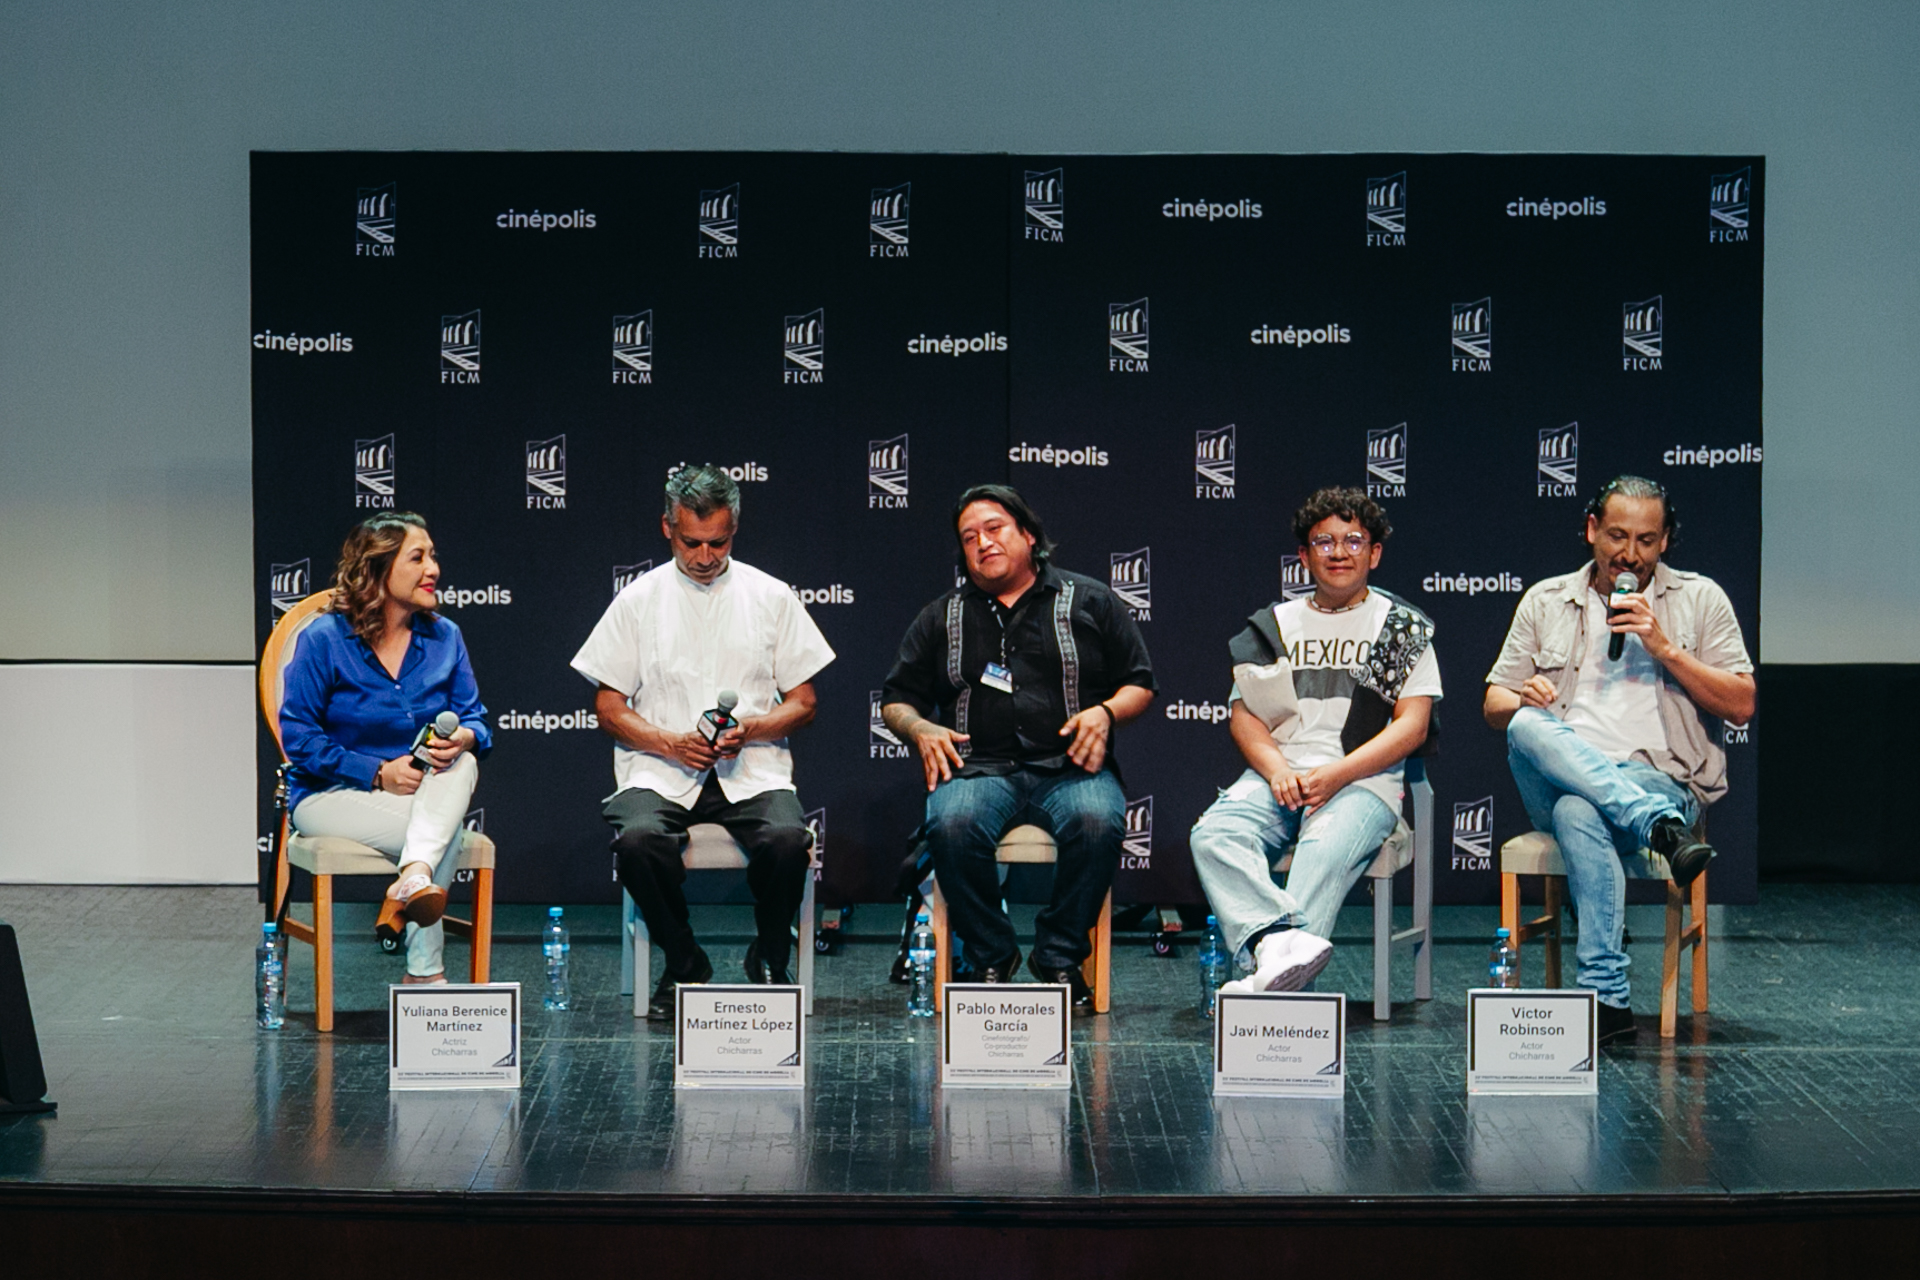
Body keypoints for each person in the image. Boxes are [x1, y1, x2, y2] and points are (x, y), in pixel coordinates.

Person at [1485, 476, 1754, 1044]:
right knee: (1526, 723)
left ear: (1665, 543)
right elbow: (1493, 703)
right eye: (1616, 536)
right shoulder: (1546, 598)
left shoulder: (1699, 600)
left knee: (1581, 813)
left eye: (1646, 540)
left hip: (1659, 776)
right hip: (1560, 773)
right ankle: (1658, 829)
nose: (1629, 554)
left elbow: (1741, 704)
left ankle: (1605, 1000)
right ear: (1590, 531)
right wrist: (1523, 695)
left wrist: (1665, 649)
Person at [572, 465, 835, 1020]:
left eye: (719, 541)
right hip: (658, 771)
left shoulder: (771, 595)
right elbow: (608, 707)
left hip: (754, 769)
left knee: (790, 841)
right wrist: (668, 743)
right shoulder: (637, 601)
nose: (706, 555)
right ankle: (684, 961)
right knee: (639, 843)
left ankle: (769, 951)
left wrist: (755, 728)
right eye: (692, 542)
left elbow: (805, 701)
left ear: (734, 528)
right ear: (666, 528)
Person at [880, 485, 1156, 1013]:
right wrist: (919, 730)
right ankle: (990, 954)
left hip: (1071, 768)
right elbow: (897, 699)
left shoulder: (1090, 599)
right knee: (952, 825)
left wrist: (1105, 712)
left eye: (994, 529)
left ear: (1028, 535)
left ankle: (1059, 957)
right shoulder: (942, 616)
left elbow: (1140, 682)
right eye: (969, 538)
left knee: (1099, 821)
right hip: (978, 769)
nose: (983, 543)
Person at [1189, 488, 1441, 995]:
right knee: (1213, 835)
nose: (1339, 551)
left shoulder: (1399, 627)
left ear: (1374, 553)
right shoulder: (1273, 626)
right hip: (1278, 776)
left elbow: (1411, 726)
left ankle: (1265, 990)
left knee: (1321, 850)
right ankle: (1281, 954)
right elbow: (1244, 718)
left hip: (1361, 782)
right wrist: (1278, 770)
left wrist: (1338, 775)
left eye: (1353, 540)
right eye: (1323, 541)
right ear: (1303, 556)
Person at [280, 512, 491, 985]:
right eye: (418, 557)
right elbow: (299, 738)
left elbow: (477, 720)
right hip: (328, 795)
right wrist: (378, 773)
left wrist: (464, 737)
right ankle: (425, 974)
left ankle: (412, 875)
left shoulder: (444, 638)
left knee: (465, 761)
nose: (433, 568)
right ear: (377, 569)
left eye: (433, 556)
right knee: (444, 833)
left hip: (422, 793)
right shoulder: (324, 640)